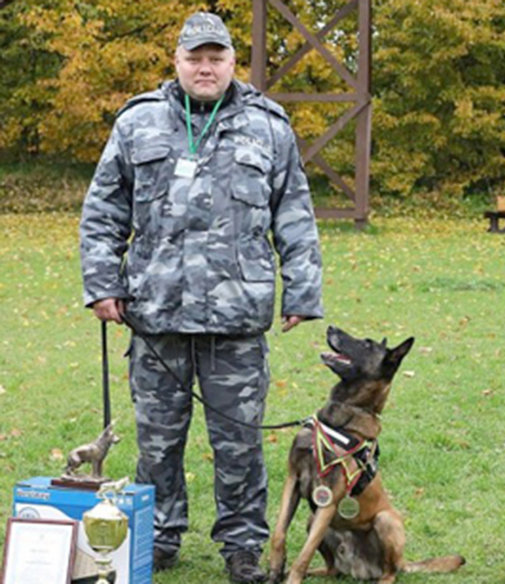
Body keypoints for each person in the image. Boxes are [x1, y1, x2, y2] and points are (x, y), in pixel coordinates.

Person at [79, 11, 323, 583]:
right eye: (195, 58)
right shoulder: (138, 124)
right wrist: (101, 284)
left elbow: (294, 210)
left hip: (236, 317)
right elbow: (103, 211)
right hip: (155, 313)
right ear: (178, 62)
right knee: (158, 442)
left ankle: (241, 545)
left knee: (239, 442)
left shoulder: (268, 126)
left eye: (216, 58)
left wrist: (303, 289)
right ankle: (157, 536)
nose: (206, 67)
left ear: (233, 63)